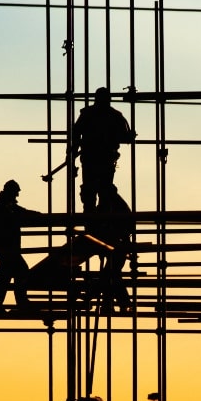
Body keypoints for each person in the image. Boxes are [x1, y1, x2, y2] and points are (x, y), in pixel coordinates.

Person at [73, 87, 134, 212]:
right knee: (103, 190)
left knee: (91, 191)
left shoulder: (88, 113)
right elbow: (125, 137)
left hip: (91, 158)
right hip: (105, 159)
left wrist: (73, 151)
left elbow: (76, 132)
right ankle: (101, 217)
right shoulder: (115, 115)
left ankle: (91, 218)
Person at [0, 180, 38, 316]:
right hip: (6, 248)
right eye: (15, 193)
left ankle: (0, 306)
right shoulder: (1, 205)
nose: (16, 196)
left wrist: (36, 215)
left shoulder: (5, 204)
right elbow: (15, 215)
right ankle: (20, 303)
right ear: (10, 191)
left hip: (8, 248)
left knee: (6, 276)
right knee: (19, 271)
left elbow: (21, 212)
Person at [90, 186, 134, 314]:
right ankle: (110, 303)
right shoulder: (116, 204)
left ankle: (101, 298)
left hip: (118, 245)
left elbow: (98, 221)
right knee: (111, 274)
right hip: (117, 245)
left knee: (110, 274)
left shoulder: (112, 204)